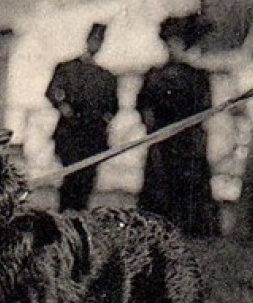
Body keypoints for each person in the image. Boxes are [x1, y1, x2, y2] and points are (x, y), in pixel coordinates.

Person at [137, 13, 221, 238]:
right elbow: (142, 104)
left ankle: (192, 230)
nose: (173, 48)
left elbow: (206, 108)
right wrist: (150, 125)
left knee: (190, 186)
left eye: (178, 43)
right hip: (161, 140)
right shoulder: (154, 75)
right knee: (159, 187)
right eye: (170, 43)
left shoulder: (197, 76)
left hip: (188, 141)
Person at [45, 22, 118, 212]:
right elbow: (52, 92)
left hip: (92, 136)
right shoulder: (67, 68)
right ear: (87, 40)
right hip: (69, 134)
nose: (96, 44)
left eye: (100, 41)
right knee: (70, 178)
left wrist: (104, 120)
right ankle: (65, 219)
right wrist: (63, 107)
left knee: (87, 181)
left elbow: (113, 107)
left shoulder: (106, 76)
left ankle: (80, 219)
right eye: (93, 39)